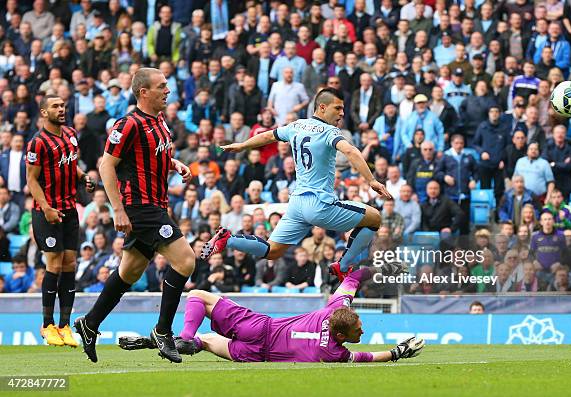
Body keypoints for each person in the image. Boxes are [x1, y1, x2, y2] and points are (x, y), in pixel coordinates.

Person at [201, 88, 392, 282]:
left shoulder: (297, 126)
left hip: (297, 204)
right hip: (319, 204)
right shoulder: (329, 131)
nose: (342, 113)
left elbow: (268, 136)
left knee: (272, 251)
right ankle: (342, 266)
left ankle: (228, 240)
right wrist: (372, 181)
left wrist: (242, 146)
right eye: (338, 108)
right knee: (375, 218)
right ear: (322, 107)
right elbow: (350, 151)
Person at [74, 68, 195, 364]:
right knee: (185, 260)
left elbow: (152, 156)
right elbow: (106, 166)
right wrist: (117, 209)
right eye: (162, 86)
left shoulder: (160, 121)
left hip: (155, 204)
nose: (168, 91)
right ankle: (163, 331)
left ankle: (89, 324)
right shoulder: (128, 124)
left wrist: (174, 163)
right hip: (140, 208)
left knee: (129, 272)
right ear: (144, 92)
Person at [118, 266, 425, 363]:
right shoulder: (333, 353)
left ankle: (176, 339)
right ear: (341, 337)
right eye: (359, 329)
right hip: (256, 354)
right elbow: (368, 358)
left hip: (258, 327)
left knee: (197, 296)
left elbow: (354, 276)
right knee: (209, 341)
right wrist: (397, 352)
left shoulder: (334, 310)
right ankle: (180, 341)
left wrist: (382, 269)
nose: (363, 330)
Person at [26, 95, 95, 347]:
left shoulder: (71, 135)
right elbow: (32, 179)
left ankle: (65, 325)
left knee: (70, 263)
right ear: (44, 112)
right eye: (55, 106)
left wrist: (83, 176)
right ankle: (47, 325)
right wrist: (46, 208)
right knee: (53, 262)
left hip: (69, 209)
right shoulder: (37, 143)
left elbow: (70, 165)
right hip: (47, 211)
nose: (61, 109)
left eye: (63, 105)